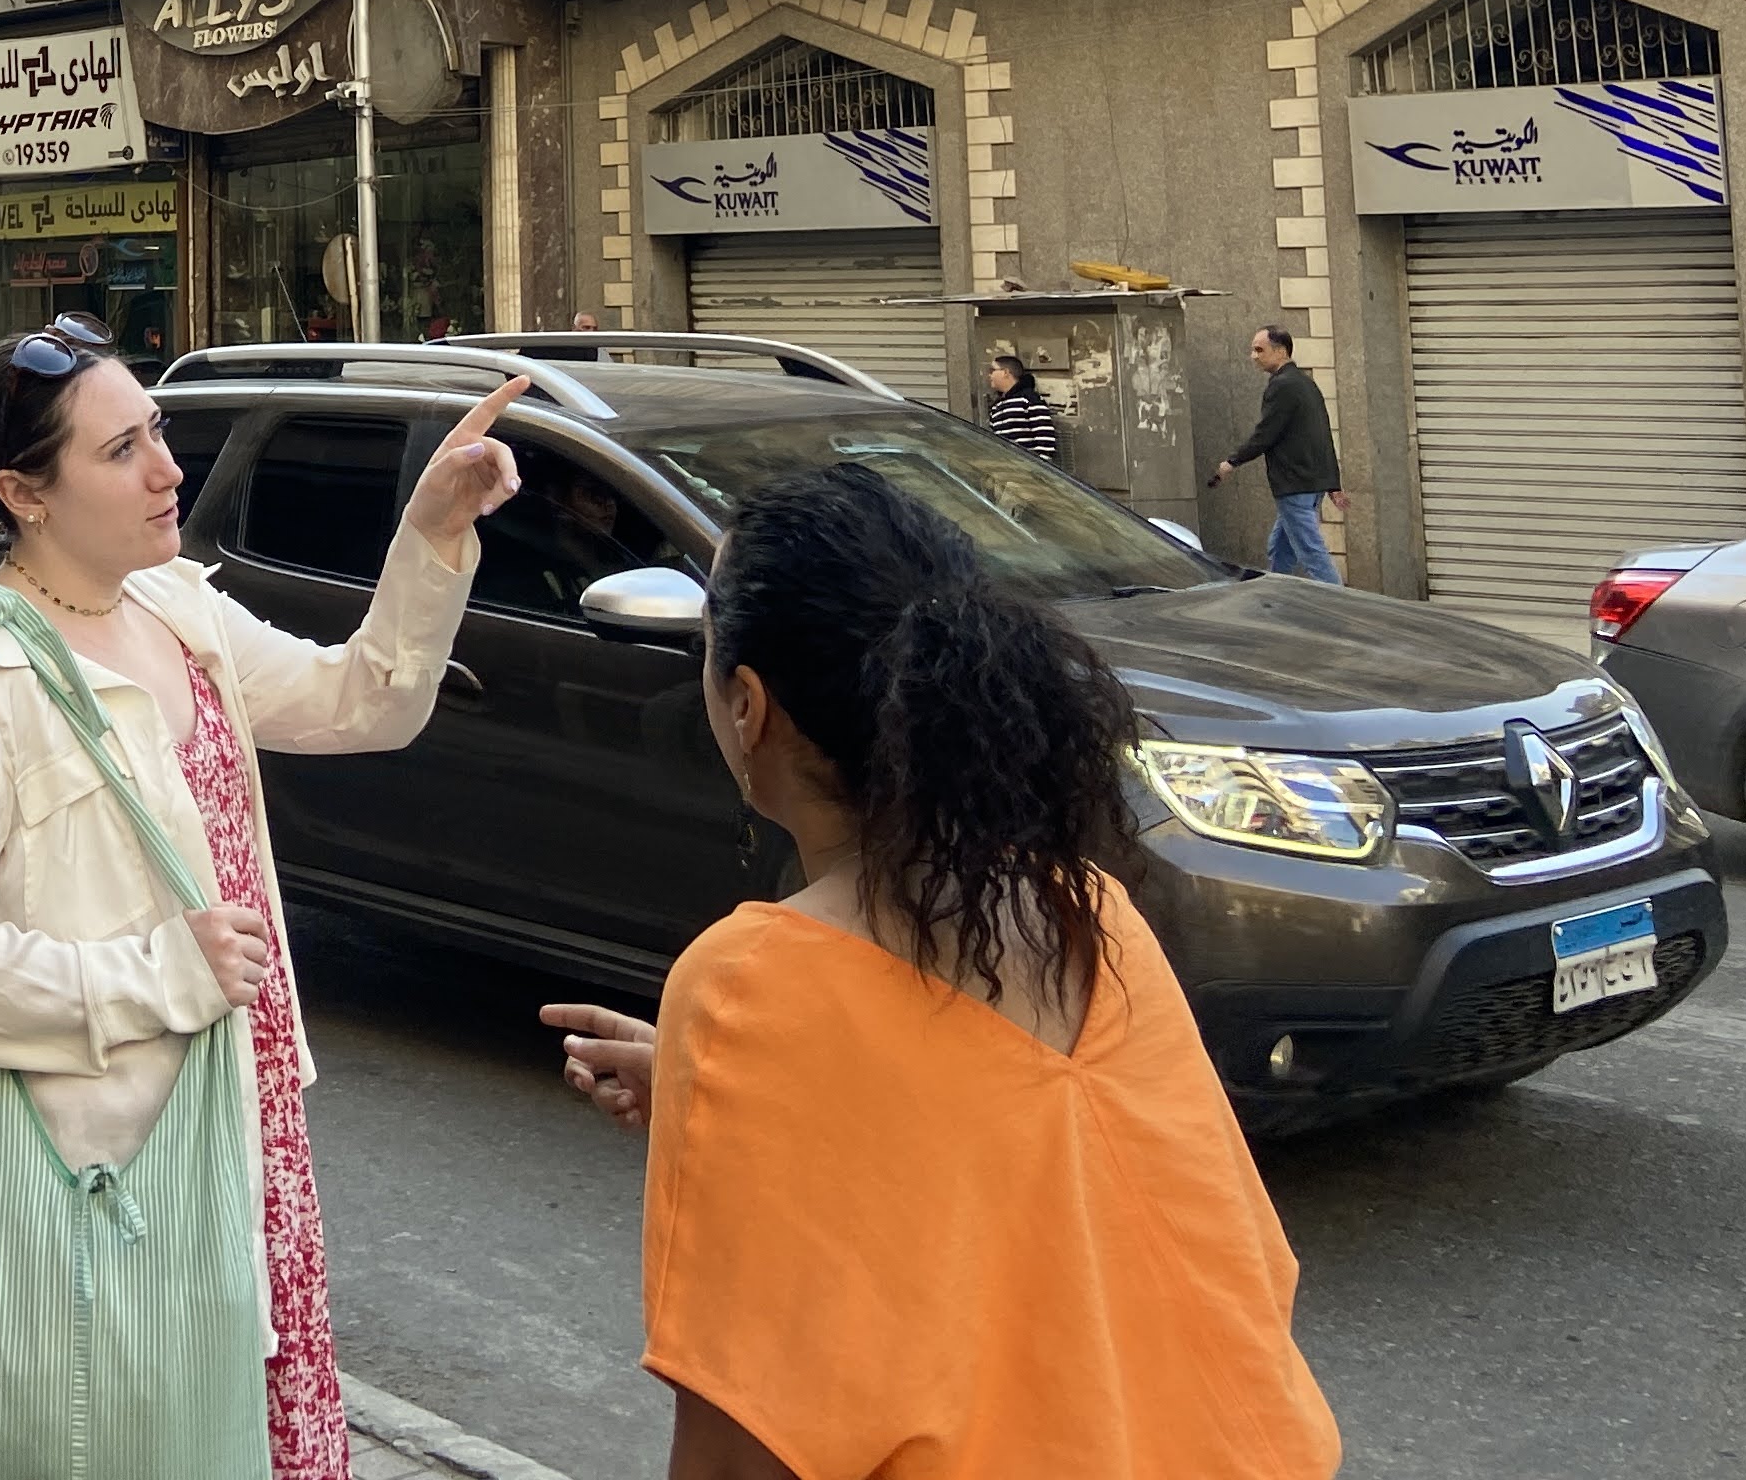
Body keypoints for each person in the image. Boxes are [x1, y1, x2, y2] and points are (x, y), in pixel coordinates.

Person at [537, 467, 1342, 1480]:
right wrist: (728, 1096)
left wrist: (734, 1058)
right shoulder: (1086, 907)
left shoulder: (750, 986)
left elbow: (746, 1447)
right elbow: (1025, 1173)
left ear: (748, 705)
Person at [0, 324, 518, 1480]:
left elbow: (363, 702)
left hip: (245, 1107)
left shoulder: (177, 610)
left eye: (156, 434)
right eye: (123, 451)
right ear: (26, 493)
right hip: (101, 1153)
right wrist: (158, 970)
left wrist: (433, 530)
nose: (168, 469)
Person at [1212, 325, 1345, 582]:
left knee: (1312, 553)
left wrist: (1232, 461)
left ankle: (1342, 605)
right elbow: (1323, 433)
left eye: (1259, 349)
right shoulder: (1305, 383)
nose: (1253, 356)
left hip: (1294, 484)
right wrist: (1331, 483)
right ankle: (1277, 597)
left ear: (1281, 351)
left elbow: (1266, 433)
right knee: (1280, 548)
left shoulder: (1282, 386)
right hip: (1311, 484)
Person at [979, 350, 1061, 467]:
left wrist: (1041, 466)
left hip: (1029, 468)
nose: (989, 375)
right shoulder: (996, 406)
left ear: (1006, 372)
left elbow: (1044, 434)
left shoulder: (1029, 399)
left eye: (993, 370)